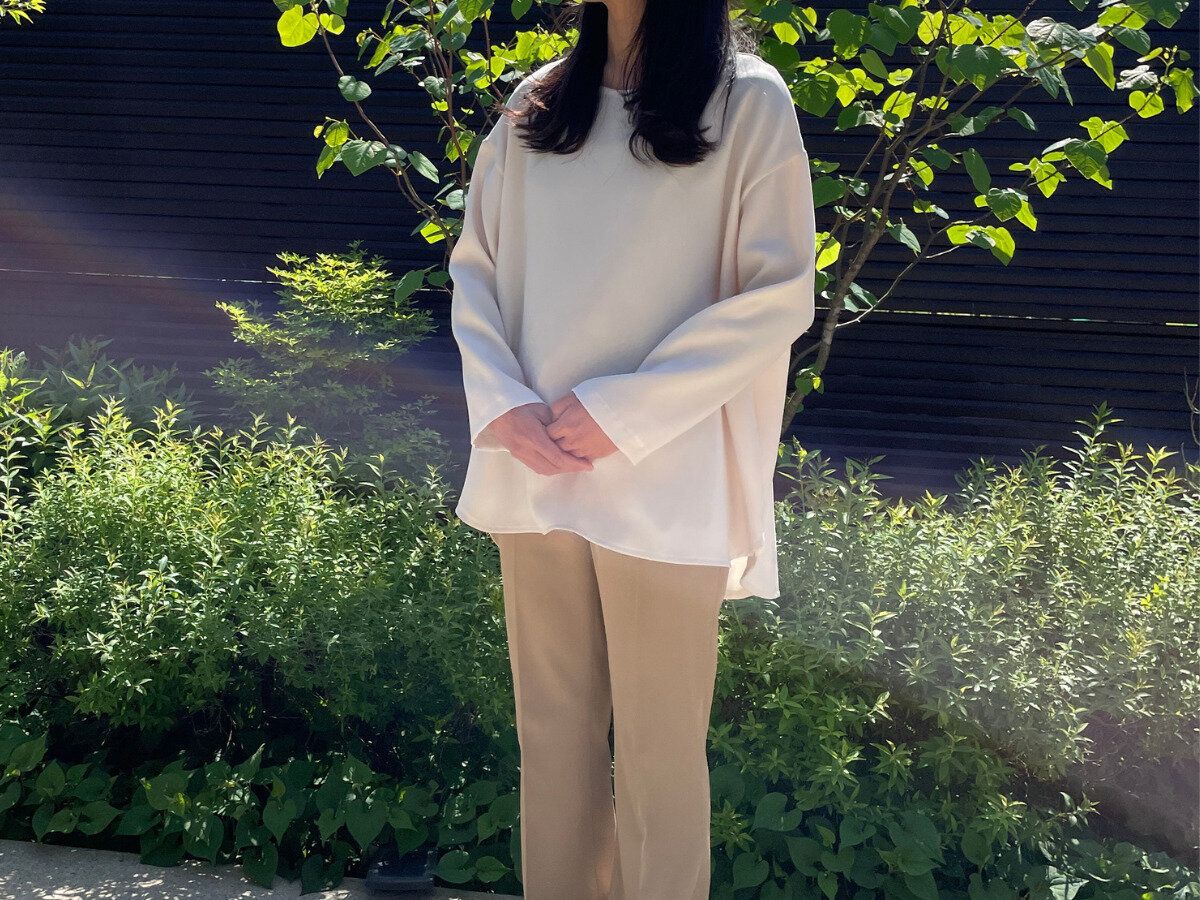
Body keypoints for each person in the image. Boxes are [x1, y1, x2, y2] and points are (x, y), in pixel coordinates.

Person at [447, 0, 816, 895]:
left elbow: (780, 292)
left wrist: (627, 410)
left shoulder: (747, 101)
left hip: (669, 477)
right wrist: (502, 405)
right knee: (553, 742)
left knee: (660, 756)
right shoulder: (537, 104)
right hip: (536, 466)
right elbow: (475, 268)